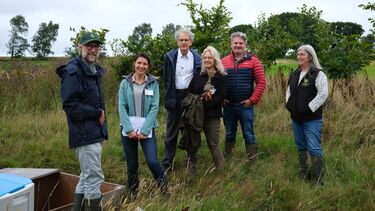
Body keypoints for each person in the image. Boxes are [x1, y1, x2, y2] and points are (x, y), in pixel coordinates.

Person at [56, 31, 107, 211]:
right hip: (84, 133)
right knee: (94, 177)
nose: (93, 50)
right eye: (89, 46)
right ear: (80, 48)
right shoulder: (73, 71)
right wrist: (95, 113)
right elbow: (70, 106)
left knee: (86, 176)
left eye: (96, 47)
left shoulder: (93, 70)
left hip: (92, 131)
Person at [118, 53, 168, 198]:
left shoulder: (153, 83)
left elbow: (154, 107)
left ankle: (165, 190)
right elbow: (121, 106)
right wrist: (129, 129)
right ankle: (134, 194)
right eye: (139, 63)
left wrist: (145, 130)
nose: (141, 66)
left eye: (145, 64)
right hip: (128, 130)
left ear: (148, 66)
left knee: (152, 161)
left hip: (147, 129)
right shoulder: (125, 83)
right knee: (132, 165)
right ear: (134, 63)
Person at [286, 44, 328, 185]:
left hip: (311, 119)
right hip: (296, 118)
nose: (298, 57)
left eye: (302, 54)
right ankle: (304, 173)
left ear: (310, 56)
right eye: (297, 54)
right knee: (301, 146)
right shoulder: (295, 73)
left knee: (314, 148)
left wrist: (309, 108)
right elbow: (289, 91)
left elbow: (323, 94)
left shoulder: (318, 73)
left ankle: (318, 179)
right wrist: (288, 104)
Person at [222, 32, 266, 164]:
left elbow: (261, 82)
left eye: (241, 43)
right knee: (229, 133)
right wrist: (221, 98)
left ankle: (252, 163)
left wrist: (252, 100)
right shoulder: (224, 61)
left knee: (249, 134)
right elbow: (217, 82)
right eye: (235, 43)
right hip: (228, 105)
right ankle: (229, 161)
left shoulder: (253, 61)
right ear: (231, 44)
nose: (238, 45)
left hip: (245, 106)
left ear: (245, 45)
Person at [162, 28, 202, 171]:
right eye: (181, 40)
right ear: (177, 41)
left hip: (189, 97)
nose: (184, 42)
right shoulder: (170, 57)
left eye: (186, 40)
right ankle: (167, 162)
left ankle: (191, 161)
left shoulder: (197, 58)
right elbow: (166, 78)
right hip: (174, 95)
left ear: (190, 42)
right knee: (171, 130)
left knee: (190, 130)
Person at [183, 46, 226, 172]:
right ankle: (191, 170)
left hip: (212, 115)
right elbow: (190, 91)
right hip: (195, 114)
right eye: (205, 57)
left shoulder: (221, 77)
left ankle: (221, 170)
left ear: (215, 59)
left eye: (210, 57)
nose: (207, 60)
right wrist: (198, 101)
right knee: (192, 143)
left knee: (213, 144)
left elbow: (221, 96)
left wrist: (204, 104)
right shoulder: (198, 75)